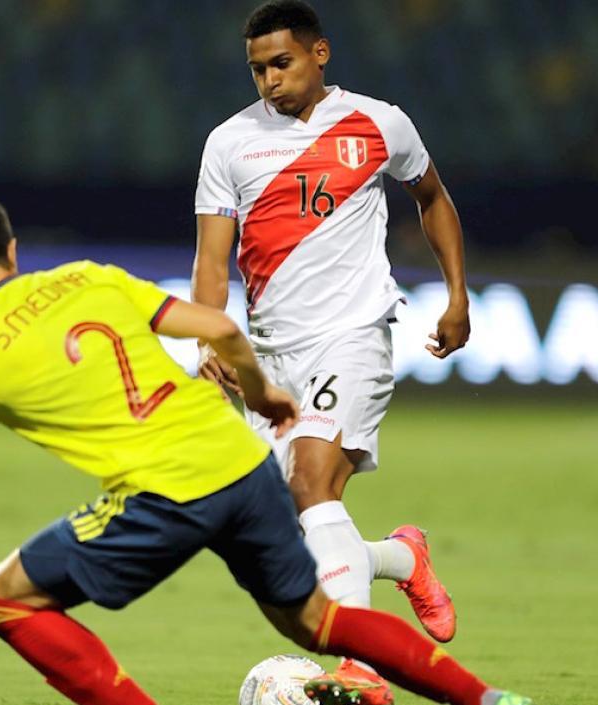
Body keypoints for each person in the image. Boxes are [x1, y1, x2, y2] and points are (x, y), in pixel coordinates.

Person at [0, 197, 529, 705]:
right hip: (241, 461)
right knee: (318, 619)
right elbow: (220, 328)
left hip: (166, 494)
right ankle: (488, 699)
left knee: (5, 597)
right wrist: (260, 395)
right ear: (12, 249)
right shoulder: (88, 277)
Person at [193, 1, 474, 698]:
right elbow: (211, 260)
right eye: (257, 69)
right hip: (270, 356)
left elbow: (432, 197)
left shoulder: (379, 123)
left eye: (281, 63)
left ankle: (364, 670)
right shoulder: (229, 143)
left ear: (320, 54)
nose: (269, 81)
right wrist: (211, 338)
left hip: (353, 334)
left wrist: (457, 295)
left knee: (312, 483)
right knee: (300, 525)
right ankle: (402, 557)